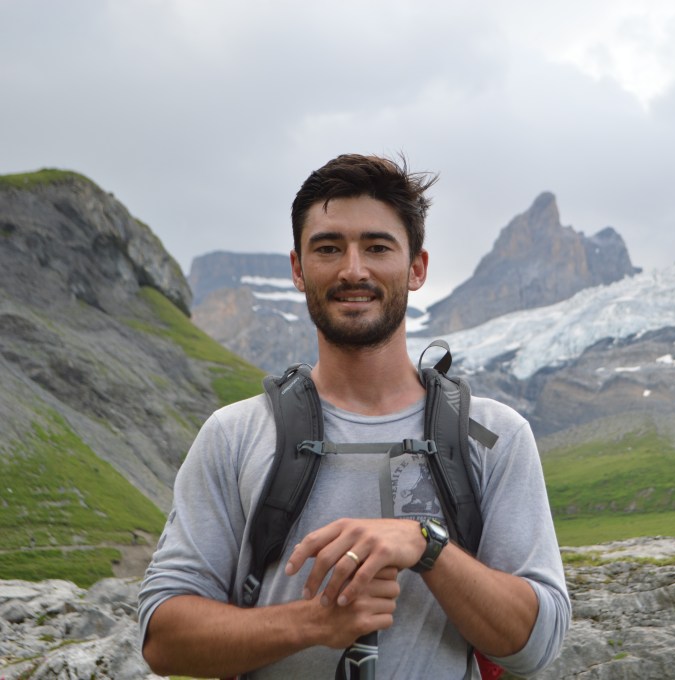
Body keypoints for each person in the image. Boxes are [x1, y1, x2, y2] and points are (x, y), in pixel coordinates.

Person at [138, 153, 570, 679]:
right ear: (298, 269)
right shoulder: (233, 436)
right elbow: (162, 638)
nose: (353, 270)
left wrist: (425, 545)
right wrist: (314, 622)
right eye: (328, 248)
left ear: (417, 268)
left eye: (377, 247)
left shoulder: (495, 435)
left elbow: (536, 644)